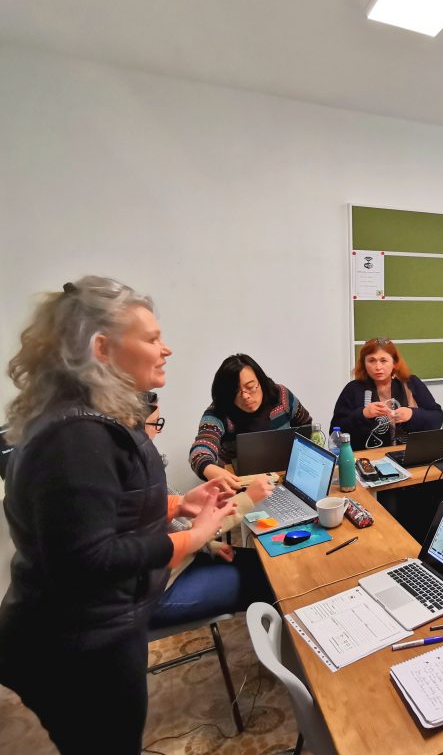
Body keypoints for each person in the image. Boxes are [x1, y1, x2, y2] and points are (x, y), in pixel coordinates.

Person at [0, 277, 236, 754]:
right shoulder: (75, 436)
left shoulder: (85, 420)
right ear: (102, 348)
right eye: (151, 338)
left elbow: (106, 508)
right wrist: (195, 536)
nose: (166, 349)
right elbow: (90, 556)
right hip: (78, 650)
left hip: (94, 635)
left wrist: (178, 504)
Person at [145, 394, 275, 629]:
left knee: (267, 563)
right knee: (273, 580)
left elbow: (173, 529)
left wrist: (208, 545)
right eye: (155, 424)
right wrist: (248, 499)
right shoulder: (137, 473)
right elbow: (186, 535)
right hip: (159, 592)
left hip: (176, 565)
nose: (158, 432)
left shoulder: (142, 465)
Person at [189, 353, 312, 488]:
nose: (246, 396)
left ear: (260, 380)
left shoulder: (280, 395)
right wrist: (210, 469)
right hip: (240, 486)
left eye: (251, 387)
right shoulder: (219, 412)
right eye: (236, 391)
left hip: (285, 480)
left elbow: (305, 426)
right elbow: (200, 450)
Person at [331, 338, 443, 449]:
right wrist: (362, 414)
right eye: (371, 361)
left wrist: (412, 414)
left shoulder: (411, 383)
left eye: (383, 361)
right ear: (364, 363)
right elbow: (335, 432)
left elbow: (437, 418)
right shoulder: (353, 389)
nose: (378, 367)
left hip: (409, 454)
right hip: (368, 459)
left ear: (394, 363)